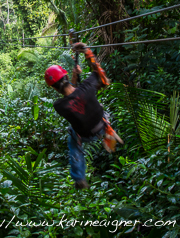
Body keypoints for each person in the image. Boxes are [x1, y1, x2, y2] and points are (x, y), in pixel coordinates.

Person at [45, 42, 122, 189]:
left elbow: (71, 96)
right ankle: (109, 132)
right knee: (101, 107)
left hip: (86, 134)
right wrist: (87, 52)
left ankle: (79, 177)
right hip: (102, 123)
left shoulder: (59, 106)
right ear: (66, 77)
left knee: (73, 139)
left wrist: (75, 77)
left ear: (54, 88)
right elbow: (101, 76)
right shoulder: (87, 87)